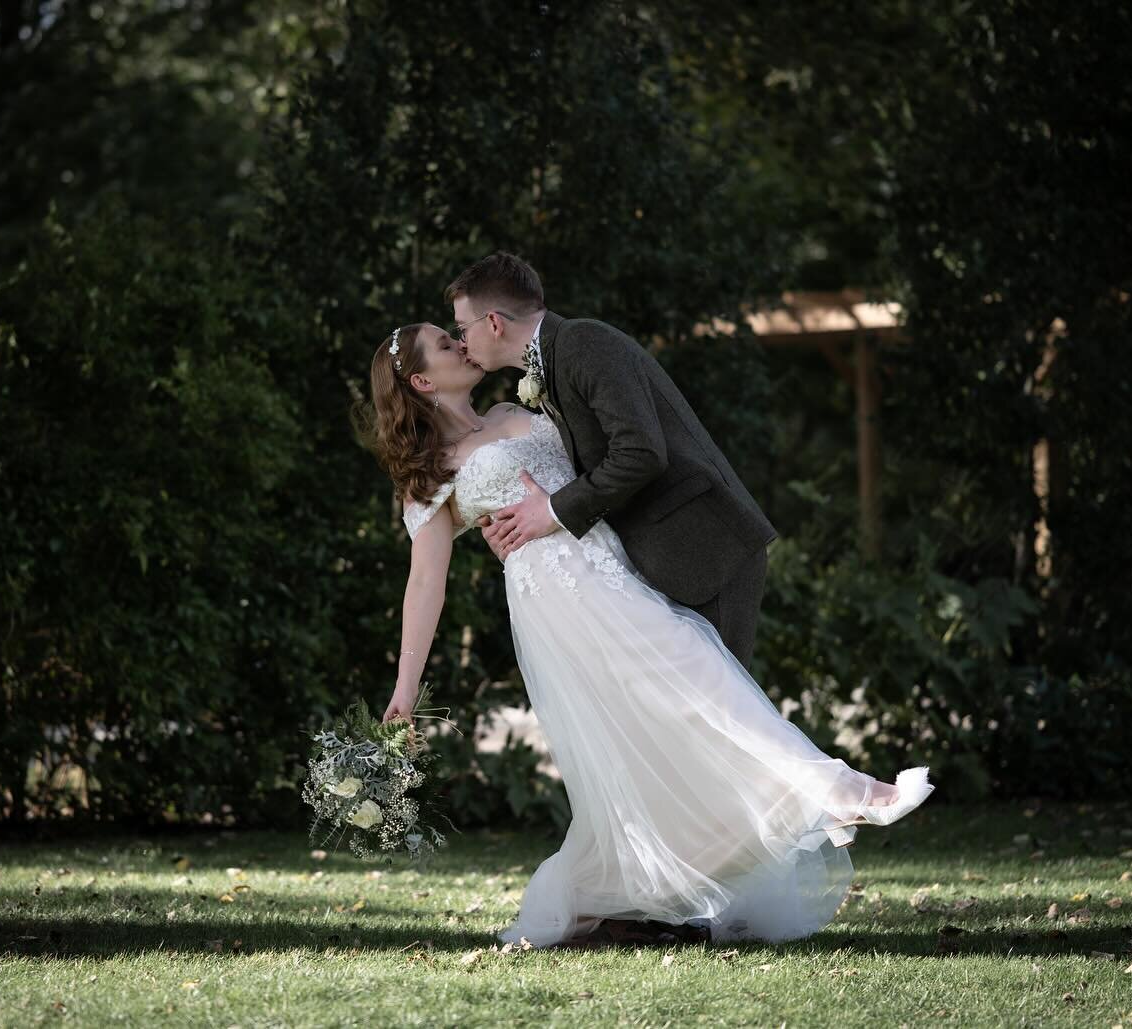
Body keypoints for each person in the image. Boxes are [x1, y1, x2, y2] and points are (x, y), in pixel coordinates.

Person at [362, 315, 935, 949]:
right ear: (419, 378)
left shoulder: (512, 406)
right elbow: (425, 584)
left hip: (618, 565)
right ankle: (846, 792)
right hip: (559, 598)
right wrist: (405, 688)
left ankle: (593, 891)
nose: (461, 342)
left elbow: (596, 466)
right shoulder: (430, 471)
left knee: (690, 700)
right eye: (446, 343)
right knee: (693, 687)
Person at [444, 252, 775, 669]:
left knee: (724, 717)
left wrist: (550, 511)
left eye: (462, 329)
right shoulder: (551, 361)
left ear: (493, 323)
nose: (461, 343)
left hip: (705, 549)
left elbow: (640, 452)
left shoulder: (584, 343)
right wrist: (519, 528)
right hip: (660, 557)